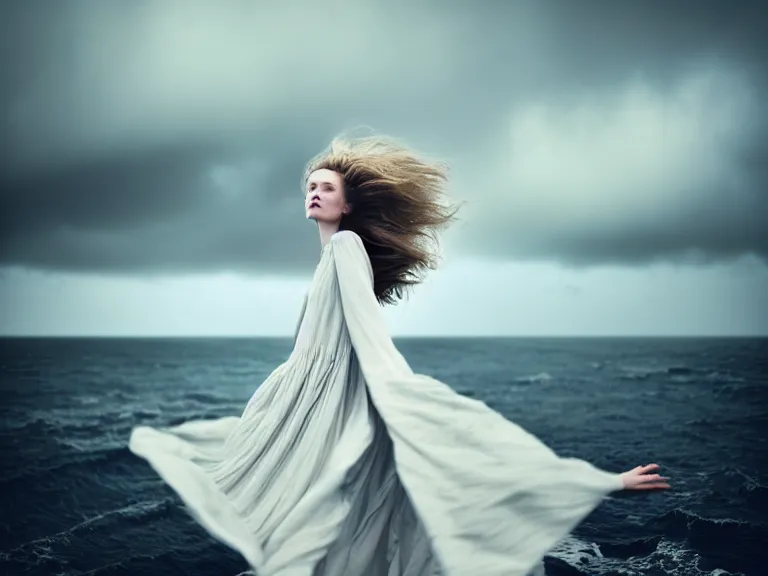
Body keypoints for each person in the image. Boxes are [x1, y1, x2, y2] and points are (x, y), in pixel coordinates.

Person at [129, 134, 670, 576]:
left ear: (349, 203)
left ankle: (597, 484)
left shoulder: (344, 247)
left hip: (342, 402)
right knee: (356, 516)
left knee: (363, 503)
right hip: (316, 404)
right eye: (310, 187)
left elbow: (368, 333)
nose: (314, 194)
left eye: (326, 188)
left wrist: (397, 394)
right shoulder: (332, 256)